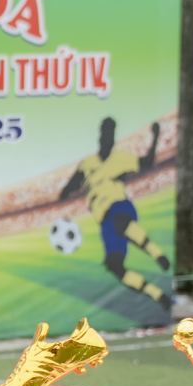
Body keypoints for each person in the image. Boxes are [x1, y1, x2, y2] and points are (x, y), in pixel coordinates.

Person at [59, 117, 172, 306]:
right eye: (105, 134)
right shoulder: (87, 164)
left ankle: (157, 253)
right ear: (100, 137)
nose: (107, 138)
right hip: (105, 222)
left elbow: (147, 162)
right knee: (114, 265)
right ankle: (157, 294)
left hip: (120, 207)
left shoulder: (120, 158)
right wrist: (67, 191)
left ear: (113, 139)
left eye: (110, 134)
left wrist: (156, 136)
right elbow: (67, 189)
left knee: (120, 221)